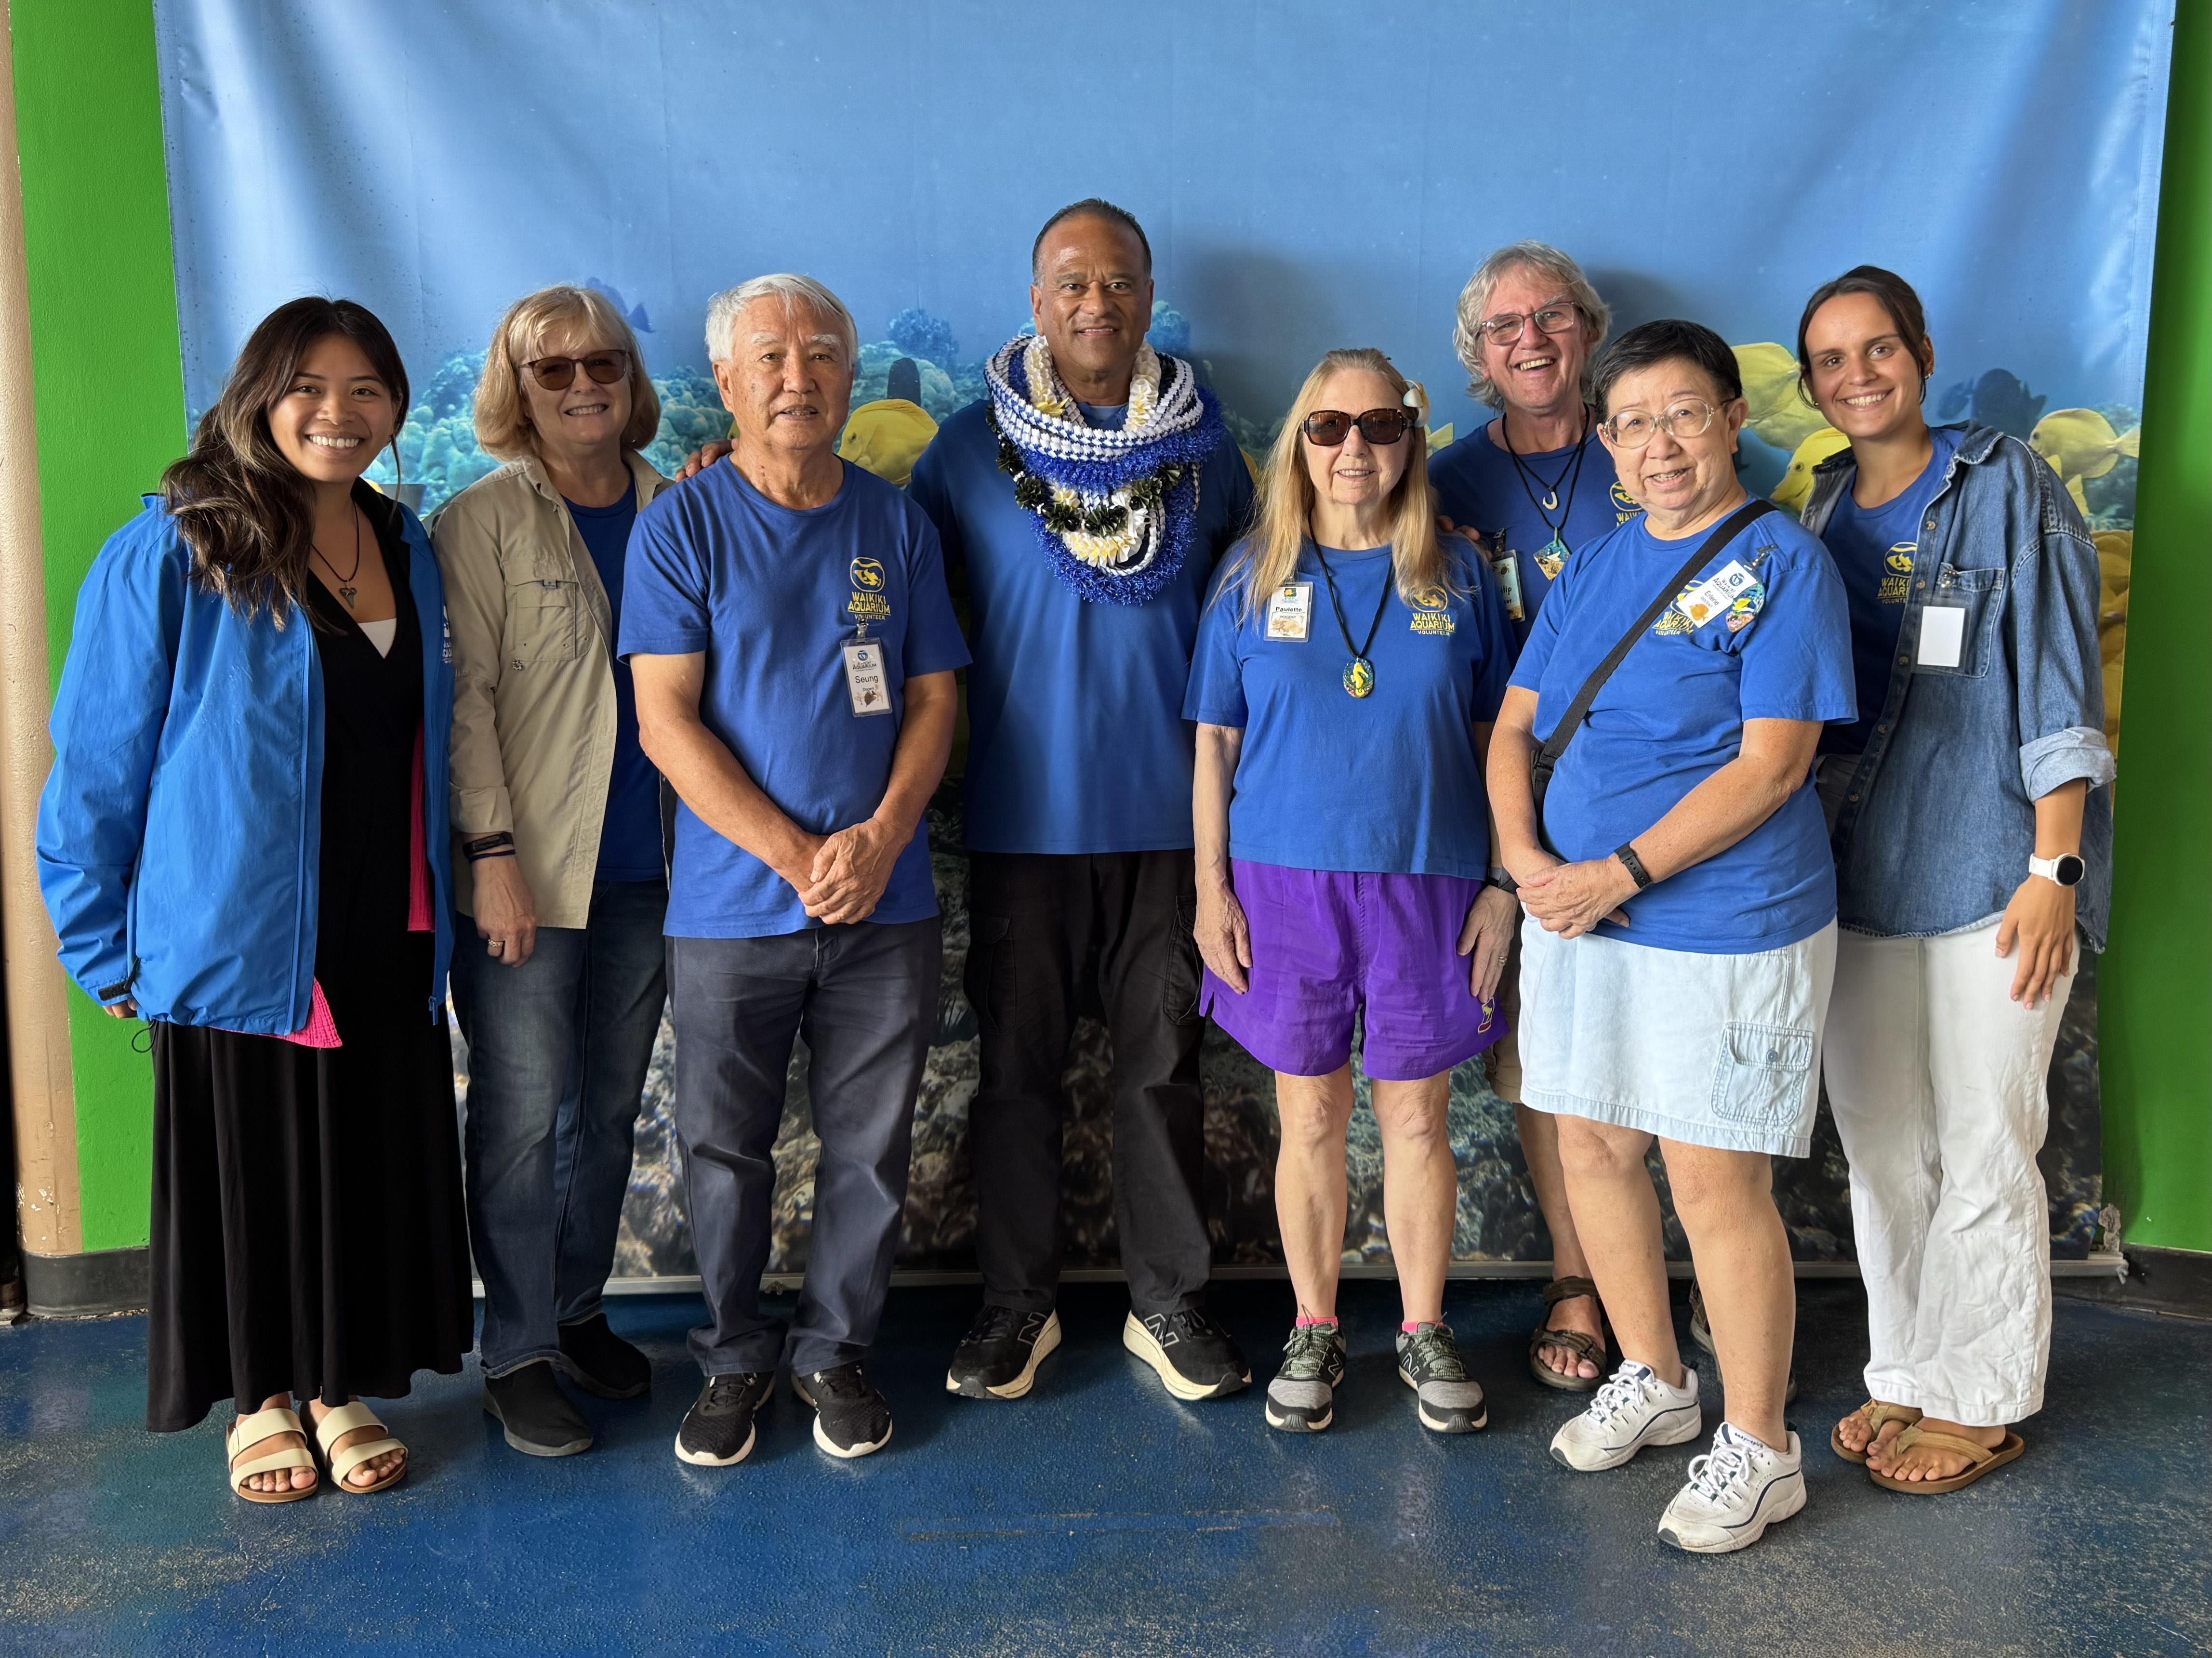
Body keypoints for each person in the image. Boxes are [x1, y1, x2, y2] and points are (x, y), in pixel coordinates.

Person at [37, 297, 471, 1502]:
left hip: (384, 920)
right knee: (257, 1165)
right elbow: (99, 761)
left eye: (368, 389)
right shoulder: (183, 545)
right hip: (241, 926)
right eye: (311, 387)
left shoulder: (406, 540)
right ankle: (263, 1398)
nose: (340, 413)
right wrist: (102, 942)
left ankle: (337, 1383)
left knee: (357, 1155)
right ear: (259, 395)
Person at [1487, 319, 1855, 1553]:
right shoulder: (1590, 565)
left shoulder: (1782, 565)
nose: (1660, 443)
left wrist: (1615, 871)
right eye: (1635, 421)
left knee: (1712, 1177)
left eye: (1684, 414)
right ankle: (1654, 1371)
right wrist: (1531, 864)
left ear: (1733, 417)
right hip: (1578, 911)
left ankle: (1759, 1444)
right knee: (1591, 1142)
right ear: (1605, 439)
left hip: (1725, 923)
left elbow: (1774, 765)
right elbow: (1512, 731)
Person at [906, 200, 1257, 1403]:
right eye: (1070, 283)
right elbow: (899, 617)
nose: (1095, 304)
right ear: (1036, 297)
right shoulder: (961, 453)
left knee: (1162, 1074)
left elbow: (1267, 607)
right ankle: (1018, 1308)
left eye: (1117, 283)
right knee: (1014, 1076)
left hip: (1175, 828)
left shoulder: (1206, 448)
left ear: (1149, 296)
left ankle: (1169, 1302)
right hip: (1018, 827)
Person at [625, 274, 968, 1466]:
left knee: (870, 1145)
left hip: (888, 901)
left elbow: (933, 698)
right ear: (724, 381)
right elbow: (665, 721)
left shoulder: (896, 522)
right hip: (730, 909)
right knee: (721, 1149)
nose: (796, 373)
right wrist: (796, 853)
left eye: (821, 351)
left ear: (849, 375)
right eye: (768, 355)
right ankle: (730, 1357)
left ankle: (833, 1349)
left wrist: (876, 842)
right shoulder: (681, 523)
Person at [1796, 266, 2112, 1494]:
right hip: (1852, 881)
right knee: (1882, 1148)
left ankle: (1981, 1395)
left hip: (1993, 870)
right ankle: (1908, 1368)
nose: (1857, 375)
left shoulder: (2007, 484)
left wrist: (2055, 865)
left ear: (1921, 355)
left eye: (1879, 349)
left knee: (1987, 1140)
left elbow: (2058, 685)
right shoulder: (1816, 510)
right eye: (1830, 359)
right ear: (1812, 381)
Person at [1187, 349, 1516, 1434]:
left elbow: (1498, 744)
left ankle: (1421, 1328)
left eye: (1379, 424)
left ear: (1409, 441)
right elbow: (1213, 749)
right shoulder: (1246, 576)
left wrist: (1503, 882)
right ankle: (1316, 1324)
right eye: (1328, 427)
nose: (1353, 448)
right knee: (1308, 1112)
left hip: (1429, 876)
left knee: (1418, 1118)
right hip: (1282, 882)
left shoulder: (1460, 578)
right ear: (1298, 441)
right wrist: (1209, 891)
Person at [433, 285, 673, 1457]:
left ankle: (577, 1309)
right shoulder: (477, 523)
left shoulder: (679, 507)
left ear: (632, 381)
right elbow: (465, 703)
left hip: (657, 869)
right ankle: (517, 1346)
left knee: (610, 1107)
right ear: (514, 386)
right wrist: (490, 855)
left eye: (605, 364)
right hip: (529, 871)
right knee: (523, 1115)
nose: (584, 383)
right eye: (554, 367)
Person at [1428, 241, 1630, 1390]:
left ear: (1589, 330)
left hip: (1656, 790)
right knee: (1546, 1055)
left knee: (1672, 1034)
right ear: (1477, 355)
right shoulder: (1444, 485)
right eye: (1506, 326)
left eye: (1552, 315)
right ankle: (1579, 1275)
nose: (1531, 338)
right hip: (1508, 799)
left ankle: (1691, 1259)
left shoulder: (1652, 445)